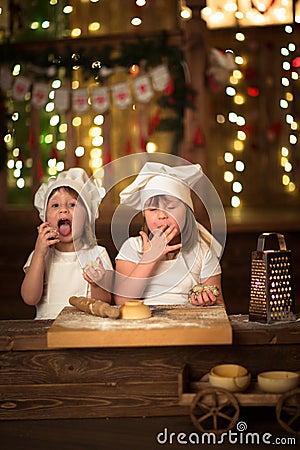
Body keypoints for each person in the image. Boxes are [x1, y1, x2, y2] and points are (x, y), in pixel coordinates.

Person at [114, 162, 224, 307]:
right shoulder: (132, 248)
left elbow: (219, 306)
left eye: (170, 207)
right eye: (152, 209)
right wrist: (150, 258)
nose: (161, 216)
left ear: (187, 212)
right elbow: (122, 301)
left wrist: (207, 300)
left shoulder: (203, 252)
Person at [21, 167, 113, 319]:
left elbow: (104, 301)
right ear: (45, 218)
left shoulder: (97, 253)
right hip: (46, 328)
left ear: (86, 219)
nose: (63, 210)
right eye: (55, 205)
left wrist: (97, 283)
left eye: (72, 205)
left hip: (85, 326)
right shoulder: (40, 256)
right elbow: (30, 298)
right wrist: (38, 254)